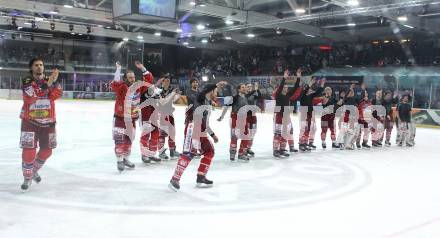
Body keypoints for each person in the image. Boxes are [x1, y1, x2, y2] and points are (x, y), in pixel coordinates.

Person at [169, 82, 227, 191]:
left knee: (209, 150)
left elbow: (205, 122)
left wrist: (212, 135)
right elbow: (204, 91)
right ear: (211, 90)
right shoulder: (200, 98)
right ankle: (174, 179)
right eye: (216, 91)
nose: (217, 92)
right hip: (193, 127)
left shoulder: (208, 103)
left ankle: (201, 176)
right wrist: (216, 84)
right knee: (189, 153)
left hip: (201, 129)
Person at [19, 58, 62, 191]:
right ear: (31, 68)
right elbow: (31, 96)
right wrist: (48, 84)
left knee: (47, 151)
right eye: (36, 65)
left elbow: (56, 94)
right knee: (29, 151)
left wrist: (50, 83)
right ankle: (27, 177)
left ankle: (33, 171)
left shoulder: (51, 80)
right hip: (29, 121)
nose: (39, 67)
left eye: (41, 65)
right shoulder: (27, 81)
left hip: (48, 122)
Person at [110, 61, 154, 172]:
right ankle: (119, 160)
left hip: (132, 120)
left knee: (129, 140)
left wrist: (142, 68)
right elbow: (115, 82)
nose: (132, 79)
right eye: (130, 78)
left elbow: (149, 80)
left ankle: (126, 159)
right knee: (119, 141)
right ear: (125, 79)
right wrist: (118, 69)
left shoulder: (138, 87)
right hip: (120, 119)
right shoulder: (121, 87)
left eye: (133, 77)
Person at [218, 84, 251, 162]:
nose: (245, 88)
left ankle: (241, 154)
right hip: (236, 119)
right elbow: (226, 107)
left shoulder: (246, 98)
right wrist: (222, 116)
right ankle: (232, 154)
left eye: (245, 87)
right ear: (239, 89)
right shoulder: (235, 98)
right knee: (234, 137)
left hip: (244, 119)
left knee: (246, 136)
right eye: (243, 87)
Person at [272, 69, 301, 157]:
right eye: (284, 87)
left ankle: (282, 149)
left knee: (285, 133)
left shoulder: (288, 95)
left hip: (286, 117)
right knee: (278, 134)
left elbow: (295, 87)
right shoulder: (278, 95)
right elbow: (280, 87)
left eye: (286, 87)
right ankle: (275, 150)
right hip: (279, 117)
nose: (285, 88)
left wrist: (298, 77)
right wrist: (284, 78)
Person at [298, 77, 325, 152]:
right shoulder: (302, 96)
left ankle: (305, 143)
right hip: (304, 112)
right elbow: (305, 91)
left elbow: (317, 93)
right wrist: (310, 84)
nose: (309, 90)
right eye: (307, 89)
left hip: (309, 113)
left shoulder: (310, 96)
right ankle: (301, 144)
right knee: (303, 128)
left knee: (308, 128)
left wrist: (322, 85)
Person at [158, 74, 181, 160]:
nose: (167, 82)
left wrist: (178, 95)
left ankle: (172, 150)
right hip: (162, 115)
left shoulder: (170, 91)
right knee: (162, 134)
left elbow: (173, 100)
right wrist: (172, 94)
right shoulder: (158, 91)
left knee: (172, 133)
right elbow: (163, 102)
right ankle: (161, 152)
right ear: (162, 82)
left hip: (170, 114)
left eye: (168, 81)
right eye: (166, 81)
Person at [245, 82, 262, 157]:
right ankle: (244, 149)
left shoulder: (254, 94)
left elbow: (260, 97)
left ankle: (248, 148)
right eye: (247, 86)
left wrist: (257, 90)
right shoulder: (243, 95)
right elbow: (247, 97)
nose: (249, 88)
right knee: (246, 134)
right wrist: (254, 91)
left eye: (250, 87)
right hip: (245, 117)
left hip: (253, 116)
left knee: (252, 134)